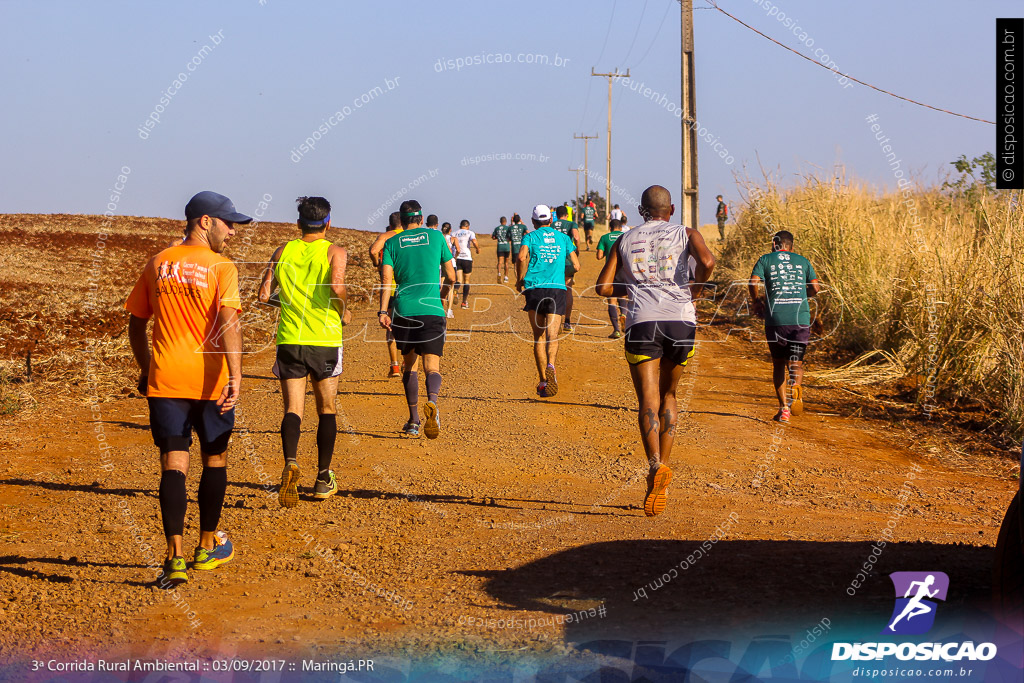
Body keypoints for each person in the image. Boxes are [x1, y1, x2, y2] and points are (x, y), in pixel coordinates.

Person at [126, 191, 251, 585]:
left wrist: (148, 369)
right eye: (228, 223)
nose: (232, 231)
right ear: (204, 221)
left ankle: (173, 558)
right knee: (215, 459)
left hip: (166, 379)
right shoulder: (220, 267)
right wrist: (236, 375)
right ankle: (206, 546)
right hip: (211, 380)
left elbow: (136, 323)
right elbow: (230, 323)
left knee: (173, 464)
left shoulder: (157, 263)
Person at [596, 185, 715, 517]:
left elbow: (603, 287)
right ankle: (666, 463)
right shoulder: (686, 232)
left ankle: (654, 467)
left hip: (642, 322)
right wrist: (696, 290)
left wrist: (633, 285)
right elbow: (707, 261)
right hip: (680, 321)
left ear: (640, 210)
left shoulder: (624, 240)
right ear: (672, 209)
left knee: (647, 398)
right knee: (669, 395)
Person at [258, 196, 349, 508]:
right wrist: (343, 310)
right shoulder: (335, 251)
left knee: (293, 410)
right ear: (328, 222)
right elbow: (337, 288)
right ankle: (323, 478)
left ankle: (291, 462)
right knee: (327, 408)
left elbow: (263, 294)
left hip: (289, 340)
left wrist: (289, 304)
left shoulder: (283, 251)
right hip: (324, 339)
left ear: (298, 223)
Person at [378, 200, 457, 438]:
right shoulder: (436, 238)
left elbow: (386, 281)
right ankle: (432, 401)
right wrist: (441, 296)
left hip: (404, 309)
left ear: (401, 222)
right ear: (421, 220)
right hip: (432, 309)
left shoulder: (391, 242)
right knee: (432, 366)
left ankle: (413, 420)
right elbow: (452, 277)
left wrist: (383, 311)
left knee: (409, 365)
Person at [748, 230, 821, 423]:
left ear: (774, 244)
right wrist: (802, 296)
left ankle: (784, 409)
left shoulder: (765, 260)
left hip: (776, 321)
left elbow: (753, 282)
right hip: (800, 320)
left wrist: (756, 302)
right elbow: (815, 287)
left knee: (779, 362)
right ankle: (796, 388)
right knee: (796, 362)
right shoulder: (803, 261)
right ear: (791, 246)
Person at [516, 204, 580, 398]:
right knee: (553, 336)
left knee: (539, 337)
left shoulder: (530, 236)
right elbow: (576, 265)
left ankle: (544, 381)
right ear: (551, 220)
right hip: (556, 289)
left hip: (535, 289)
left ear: (534, 222)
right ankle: (552, 365)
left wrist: (520, 280)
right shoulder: (563, 238)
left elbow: (521, 257)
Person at [369, 212, 404, 378]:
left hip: (390, 288)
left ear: (390, 225)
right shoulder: (409, 236)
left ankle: (394, 366)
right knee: (409, 324)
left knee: (390, 326)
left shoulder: (386, 236)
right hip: (408, 287)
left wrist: (377, 264)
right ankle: (408, 360)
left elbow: (373, 250)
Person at [596, 218, 628, 339]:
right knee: (623, 296)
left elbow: (599, 256)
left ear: (610, 228)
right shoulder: (626, 236)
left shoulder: (605, 237)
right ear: (620, 228)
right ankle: (624, 314)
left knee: (612, 301)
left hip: (611, 272)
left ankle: (616, 330)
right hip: (624, 271)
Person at [552, 205, 581, 332]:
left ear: (556, 215)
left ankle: (555, 321)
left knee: (554, 290)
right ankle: (567, 322)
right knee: (568, 290)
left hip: (553, 261)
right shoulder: (571, 224)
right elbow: (576, 237)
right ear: (567, 215)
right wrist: (577, 250)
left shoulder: (551, 225)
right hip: (567, 261)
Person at [452, 219, 479, 309]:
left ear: (460, 226)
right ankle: (464, 302)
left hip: (457, 258)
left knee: (458, 280)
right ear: (468, 226)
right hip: (467, 258)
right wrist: (477, 249)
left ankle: (455, 290)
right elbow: (474, 241)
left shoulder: (454, 233)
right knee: (466, 281)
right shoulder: (470, 232)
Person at [440, 222, 457, 317]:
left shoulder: (439, 238)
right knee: (450, 288)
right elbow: (457, 249)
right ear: (450, 230)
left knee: (442, 287)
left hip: (441, 265)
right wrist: (455, 257)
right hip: (451, 263)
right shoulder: (452, 239)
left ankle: (441, 310)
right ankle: (449, 310)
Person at [491, 216, 512, 283]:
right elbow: (510, 237)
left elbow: (493, 237)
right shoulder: (508, 228)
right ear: (505, 221)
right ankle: (506, 277)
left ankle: (499, 273)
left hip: (500, 246)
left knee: (500, 262)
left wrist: (497, 237)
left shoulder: (497, 228)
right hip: (506, 246)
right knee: (506, 262)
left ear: (500, 221)